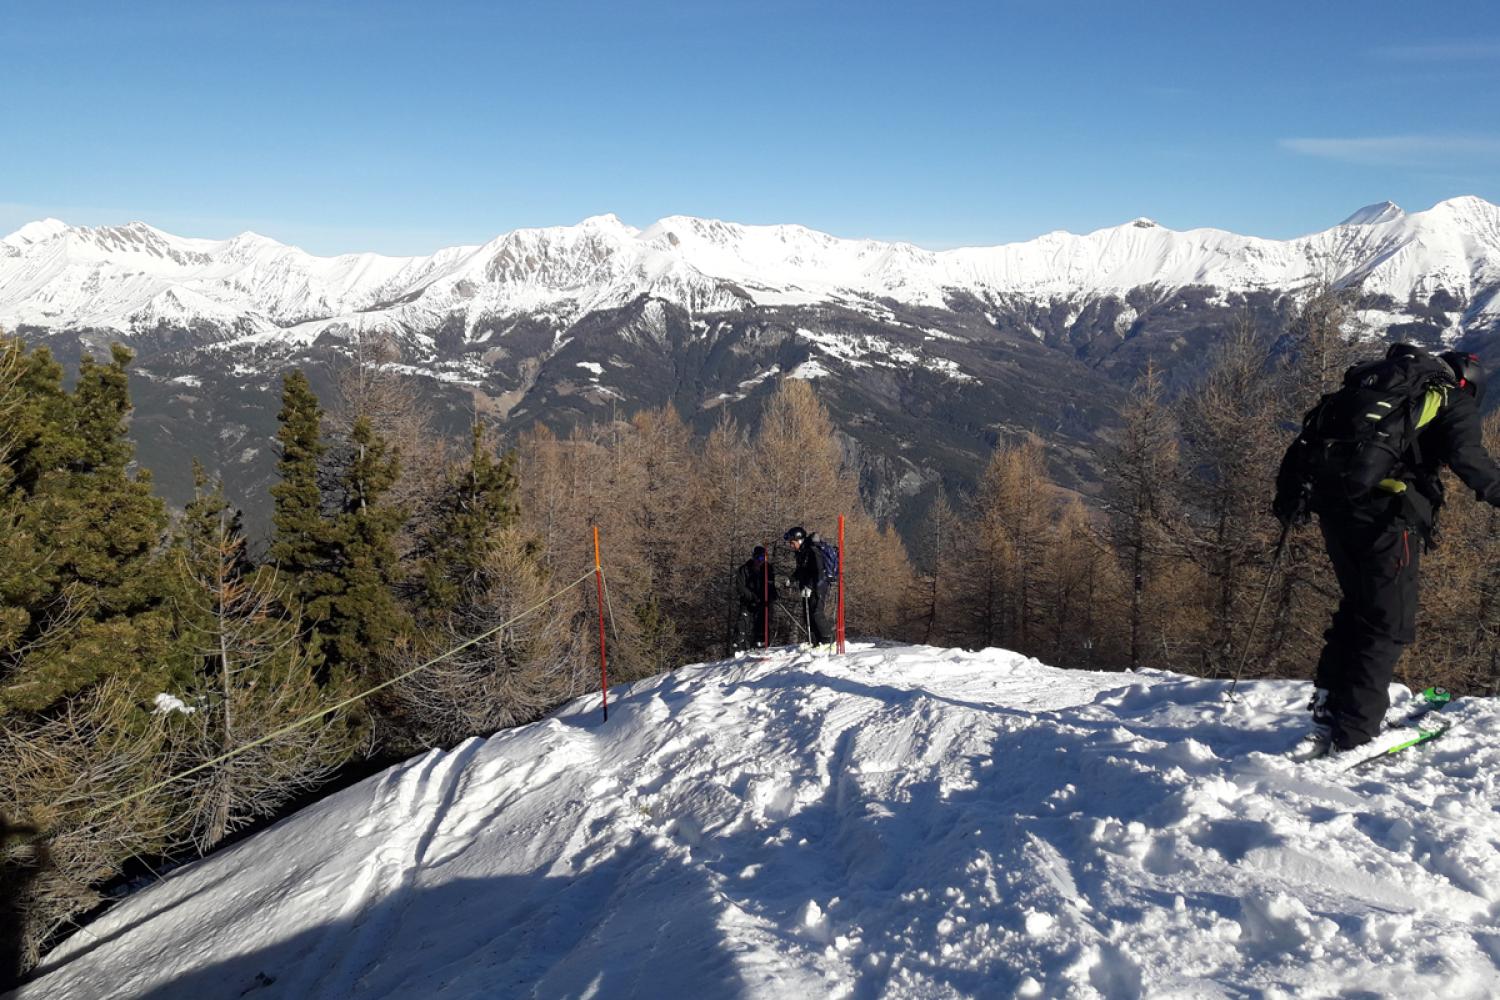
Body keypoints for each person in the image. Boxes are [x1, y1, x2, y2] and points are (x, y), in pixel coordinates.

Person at [1273, 344, 1500, 759]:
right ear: (1470, 384)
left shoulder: (1378, 390)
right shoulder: (1450, 399)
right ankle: (1357, 732)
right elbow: (1471, 462)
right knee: (1387, 623)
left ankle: (1328, 710)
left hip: (1337, 510)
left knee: (1357, 608)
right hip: (1389, 519)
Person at [783, 526, 834, 650]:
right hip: (807, 587)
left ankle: (828, 640)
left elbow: (818, 571)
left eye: (792, 542)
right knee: (808, 615)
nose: (791, 545)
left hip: (818, 586)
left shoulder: (812, 550)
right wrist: (792, 579)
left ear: (799, 540)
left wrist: (810, 586)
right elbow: (801, 570)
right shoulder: (801, 552)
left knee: (817, 613)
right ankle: (817, 641)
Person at [732, 546, 773, 652]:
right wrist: (752, 597)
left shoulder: (767, 569)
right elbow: (740, 587)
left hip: (762, 602)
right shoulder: (744, 569)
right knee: (743, 623)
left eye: (764, 559)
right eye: (759, 559)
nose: (761, 562)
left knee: (762, 623)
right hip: (748, 601)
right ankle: (739, 647)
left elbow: (770, 584)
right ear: (754, 558)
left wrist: (771, 595)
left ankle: (761, 645)